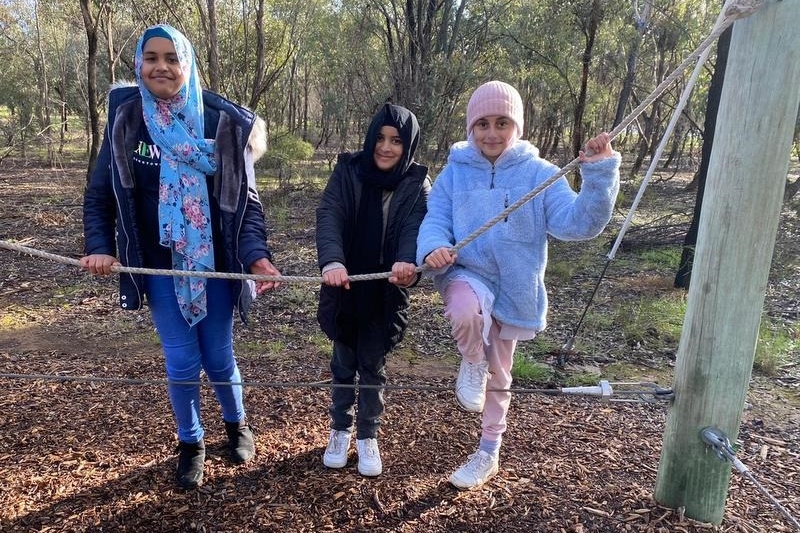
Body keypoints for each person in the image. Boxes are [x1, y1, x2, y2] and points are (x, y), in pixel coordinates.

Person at [80, 24, 281, 490]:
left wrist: (256, 257)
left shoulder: (221, 123)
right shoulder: (127, 120)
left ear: (187, 64)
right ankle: (191, 442)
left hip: (213, 264)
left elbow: (244, 202)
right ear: (138, 65)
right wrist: (100, 248)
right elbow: (100, 195)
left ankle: (237, 424)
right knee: (180, 360)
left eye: (172, 57)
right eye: (151, 57)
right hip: (157, 265)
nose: (161, 66)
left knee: (217, 356)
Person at [416, 80, 620, 490]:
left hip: (513, 286)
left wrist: (598, 174)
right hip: (466, 273)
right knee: (462, 312)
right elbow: (435, 219)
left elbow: (578, 224)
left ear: (517, 126)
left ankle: (488, 451)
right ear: (471, 127)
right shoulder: (454, 173)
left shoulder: (540, 174)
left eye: (502, 122)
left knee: (501, 373)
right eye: (483, 124)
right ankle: (470, 361)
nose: (492, 133)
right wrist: (435, 247)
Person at [315, 103, 430, 477]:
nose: (386, 147)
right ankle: (339, 430)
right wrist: (331, 261)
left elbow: (416, 227)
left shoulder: (416, 182)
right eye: (379, 138)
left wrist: (408, 262)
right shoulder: (348, 170)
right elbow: (329, 214)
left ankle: (368, 435)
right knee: (343, 363)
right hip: (344, 284)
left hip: (385, 291)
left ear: (408, 145)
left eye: (396, 141)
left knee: (373, 367)